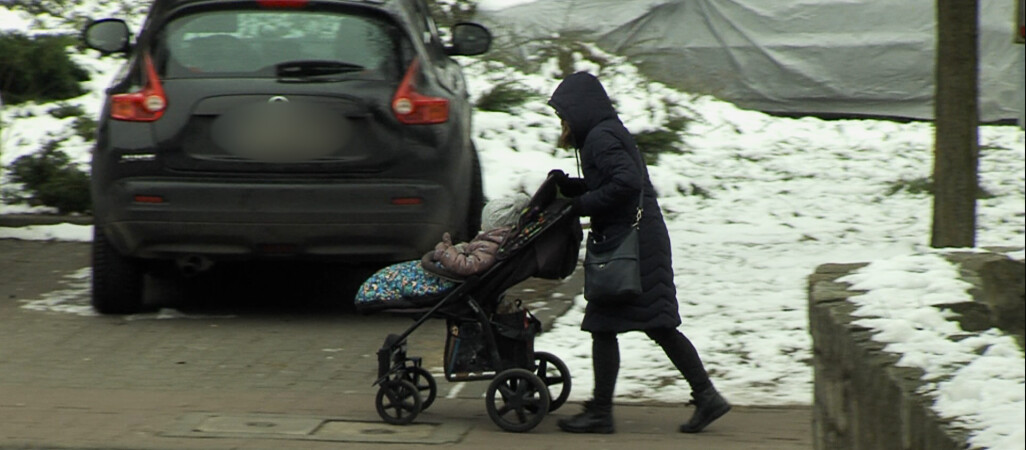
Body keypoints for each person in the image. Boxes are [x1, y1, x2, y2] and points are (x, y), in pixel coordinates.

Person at [547, 72, 730, 434]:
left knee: (610, 324)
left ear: (580, 110)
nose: (562, 124)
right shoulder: (601, 134)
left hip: (631, 244)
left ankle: (602, 412)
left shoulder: (600, 137)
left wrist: (579, 205)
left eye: (564, 115)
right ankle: (706, 396)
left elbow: (627, 183)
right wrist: (573, 187)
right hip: (636, 239)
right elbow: (615, 181)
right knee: (652, 324)